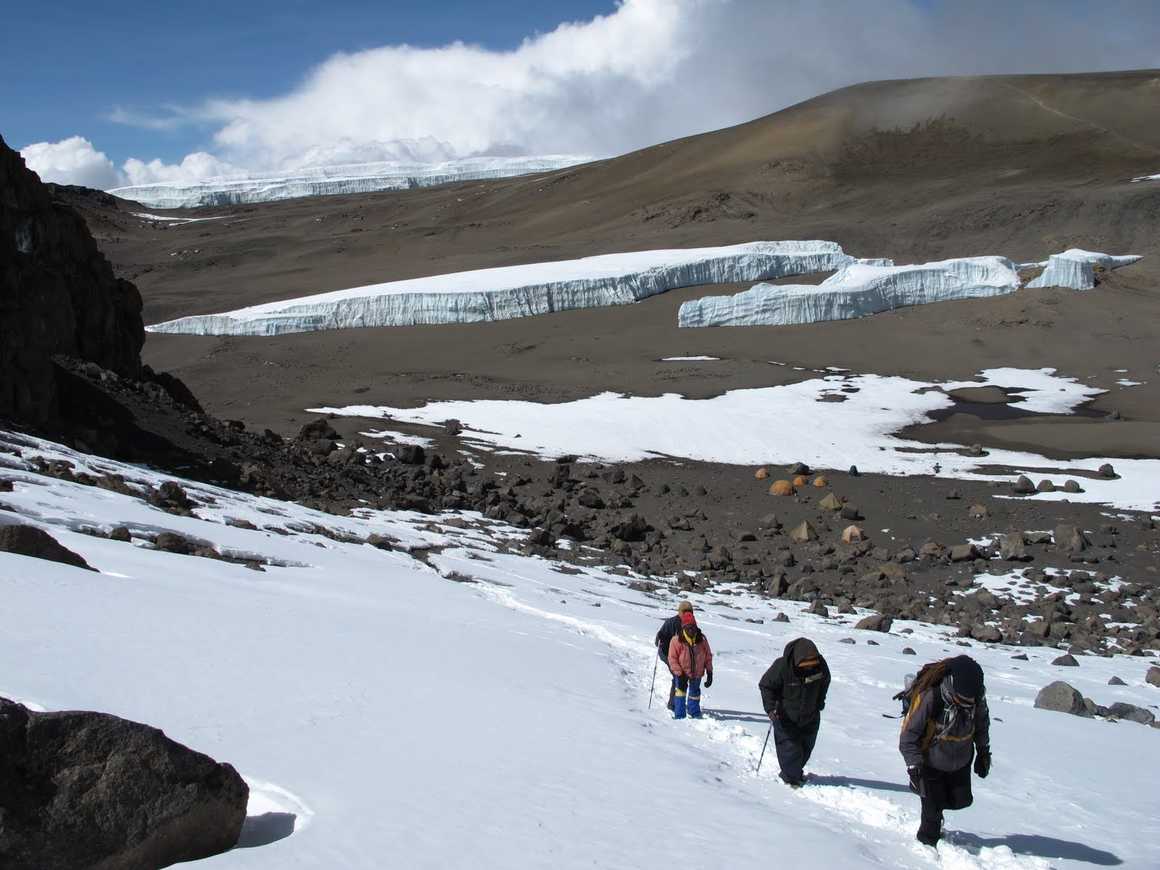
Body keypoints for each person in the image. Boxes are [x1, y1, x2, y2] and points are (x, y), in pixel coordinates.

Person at [897, 655, 992, 848]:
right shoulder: (931, 695)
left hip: (960, 757)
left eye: (970, 700)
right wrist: (913, 765)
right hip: (930, 760)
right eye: (962, 700)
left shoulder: (976, 696)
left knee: (961, 801)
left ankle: (937, 810)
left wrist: (983, 751)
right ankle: (925, 848)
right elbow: (908, 736)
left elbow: (981, 724)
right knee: (931, 812)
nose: (967, 703)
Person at [758, 637, 830, 787]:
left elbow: (825, 682)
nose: (809, 668)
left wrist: (820, 702)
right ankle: (790, 779)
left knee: (806, 748)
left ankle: (794, 772)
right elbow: (766, 685)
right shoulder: (782, 666)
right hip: (784, 715)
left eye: (811, 665)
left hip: (810, 714)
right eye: (805, 665)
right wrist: (771, 708)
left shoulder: (820, 665)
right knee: (789, 749)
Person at [667, 610, 713, 719]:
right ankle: (679, 715)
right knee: (680, 693)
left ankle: (694, 712)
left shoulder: (702, 639)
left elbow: (708, 656)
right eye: (688, 627)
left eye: (693, 627)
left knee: (695, 693)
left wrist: (709, 672)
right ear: (683, 628)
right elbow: (672, 659)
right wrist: (679, 673)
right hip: (682, 673)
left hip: (697, 673)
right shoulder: (676, 640)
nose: (691, 630)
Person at [655, 601, 694, 710]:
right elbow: (658, 640)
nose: (687, 614)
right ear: (680, 612)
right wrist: (660, 637)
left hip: (680, 655)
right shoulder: (671, 623)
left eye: (689, 612)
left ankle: (677, 702)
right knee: (678, 675)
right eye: (685, 611)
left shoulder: (691, 624)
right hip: (666, 653)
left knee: (683, 676)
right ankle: (673, 704)